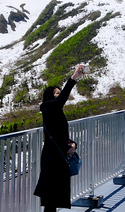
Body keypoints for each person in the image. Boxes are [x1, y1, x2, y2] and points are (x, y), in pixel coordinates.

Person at [34, 64, 86, 212]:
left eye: (59, 92)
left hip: (59, 157)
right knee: (51, 198)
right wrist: (74, 78)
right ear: (50, 96)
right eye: (56, 93)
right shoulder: (48, 107)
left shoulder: (55, 110)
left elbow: (61, 134)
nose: (59, 94)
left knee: (55, 197)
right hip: (52, 159)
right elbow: (62, 99)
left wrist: (73, 145)